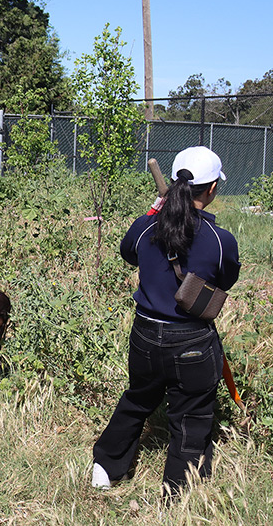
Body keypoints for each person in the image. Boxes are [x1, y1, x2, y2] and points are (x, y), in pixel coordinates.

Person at [91, 146, 240, 498]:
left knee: (139, 398)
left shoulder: (146, 227)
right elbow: (225, 279)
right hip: (191, 342)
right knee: (191, 415)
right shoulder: (221, 240)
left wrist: (152, 216)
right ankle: (177, 494)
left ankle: (104, 467)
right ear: (212, 188)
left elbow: (128, 254)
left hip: (144, 335)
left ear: (174, 183)